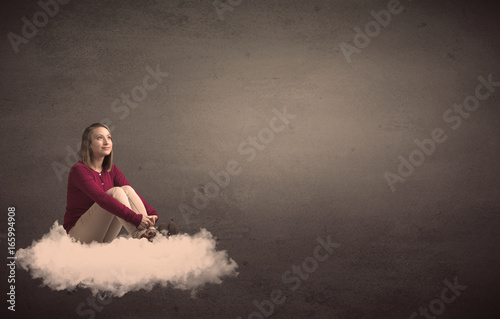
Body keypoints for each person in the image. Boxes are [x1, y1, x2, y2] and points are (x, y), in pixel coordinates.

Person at [63, 123, 172, 243]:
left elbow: (131, 194)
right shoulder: (79, 170)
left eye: (109, 137)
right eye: (100, 137)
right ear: (88, 144)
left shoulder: (112, 170)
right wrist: (135, 219)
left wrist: (152, 213)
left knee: (125, 189)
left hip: (102, 234)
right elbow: (101, 199)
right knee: (116, 191)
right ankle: (141, 234)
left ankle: (150, 232)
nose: (106, 142)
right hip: (77, 236)